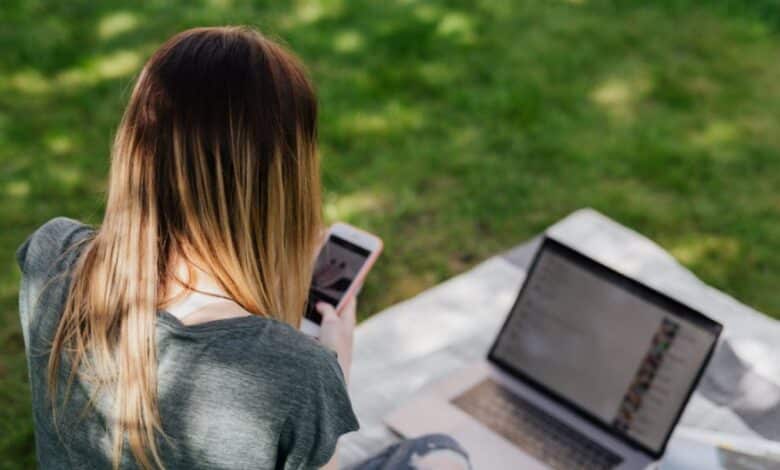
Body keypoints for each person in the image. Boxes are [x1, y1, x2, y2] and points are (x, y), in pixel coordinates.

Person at [17, 26, 470, 469]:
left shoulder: (50, 255)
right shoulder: (296, 373)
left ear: (137, 146)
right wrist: (334, 369)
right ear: (284, 178)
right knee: (443, 454)